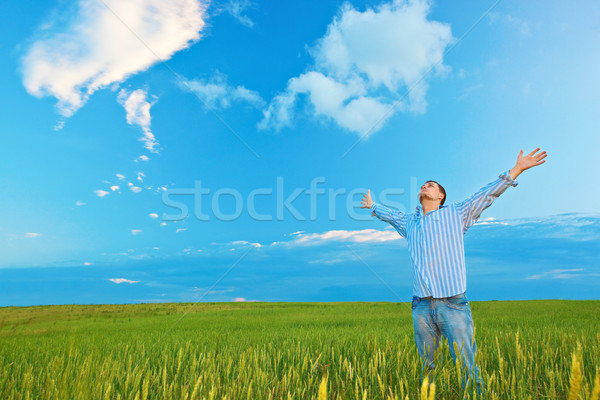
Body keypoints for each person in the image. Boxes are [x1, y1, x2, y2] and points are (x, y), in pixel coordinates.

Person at [360, 148, 547, 393]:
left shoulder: (457, 214)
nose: (425, 186)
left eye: (431, 185)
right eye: (423, 185)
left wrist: (517, 169)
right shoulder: (410, 222)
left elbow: (486, 194)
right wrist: (374, 206)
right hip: (422, 306)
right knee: (427, 367)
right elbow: (391, 215)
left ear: (441, 196)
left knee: (467, 365)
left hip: (453, 304)